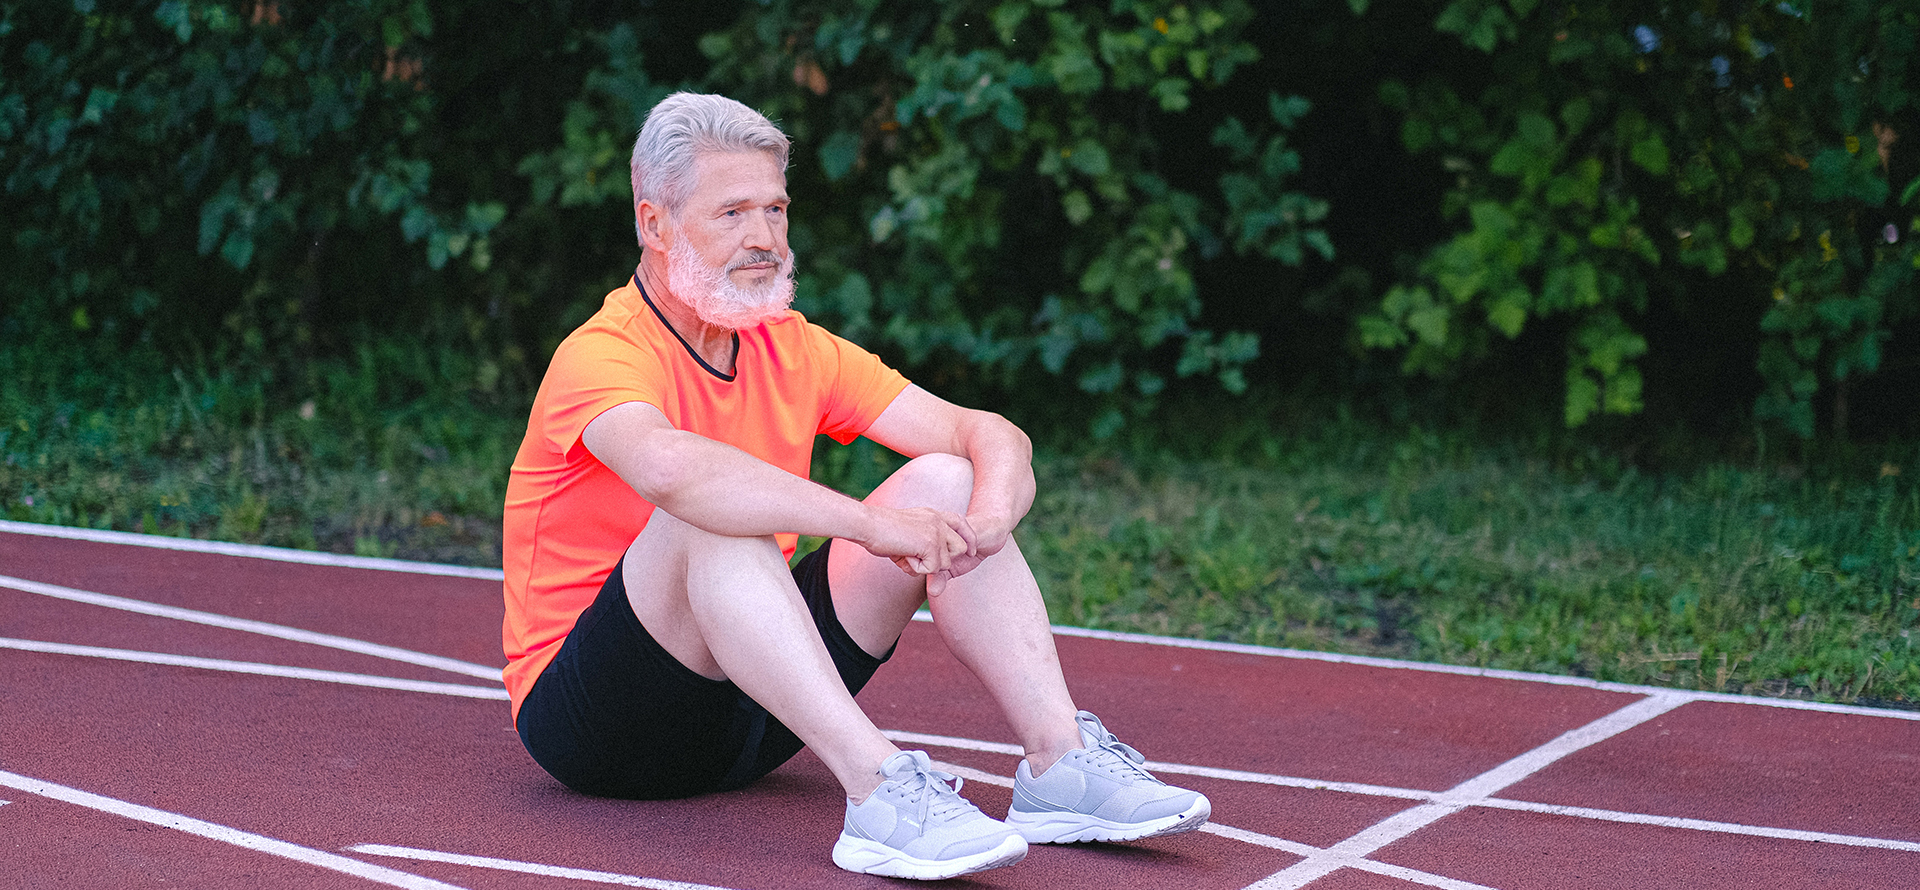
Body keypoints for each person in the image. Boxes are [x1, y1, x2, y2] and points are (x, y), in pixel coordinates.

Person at [500, 92, 1210, 880]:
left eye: (776, 208)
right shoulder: (600, 354)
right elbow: (674, 469)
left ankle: (1060, 763)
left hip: (750, 720)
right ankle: (880, 790)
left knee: (943, 479)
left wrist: (989, 518)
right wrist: (872, 528)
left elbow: (986, 435)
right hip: (597, 724)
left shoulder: (791, 347)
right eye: (732, 212)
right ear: (656, 225)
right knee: (702, 514)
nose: (765, 237)